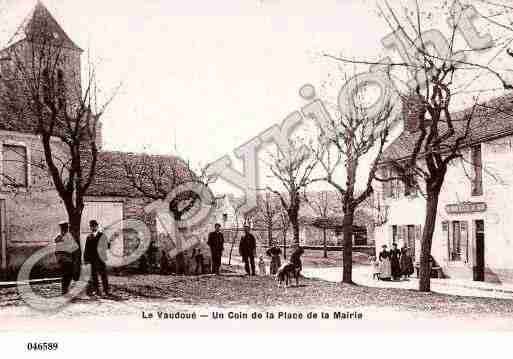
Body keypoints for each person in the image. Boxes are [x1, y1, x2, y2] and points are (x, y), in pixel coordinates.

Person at [84, 220, 110, 297]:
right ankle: (97, 291)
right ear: (90, 227)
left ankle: (106, 290)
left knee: (103, 275)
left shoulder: (102, 235)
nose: (93, 227)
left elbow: (108, 246)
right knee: (94, 275)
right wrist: (86, 259)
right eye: (91, 226)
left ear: (97, 226)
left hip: (101, 258)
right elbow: (86, 249)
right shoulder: (89, 237)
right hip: (92, 259)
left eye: (94, 226)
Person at [54, 222, 74, 295]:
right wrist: (58, 259)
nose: (67, 229)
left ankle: (65, 289)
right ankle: (64, 290)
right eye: (65, 228)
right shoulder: (60, 237)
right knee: (65, 275)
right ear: (63, 228)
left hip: (68, 258)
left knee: (69, 274)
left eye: (67, 228)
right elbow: (57, 249)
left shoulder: (68, 236)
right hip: (63, 258)